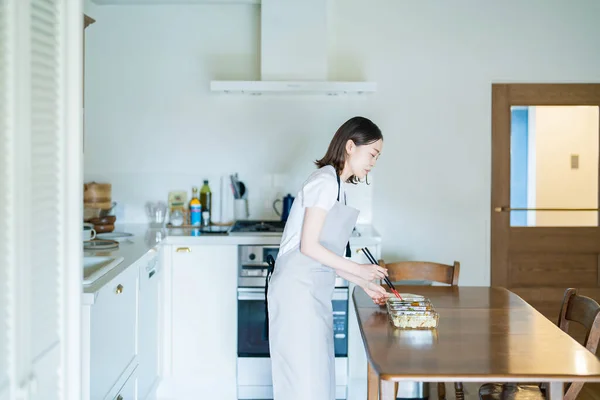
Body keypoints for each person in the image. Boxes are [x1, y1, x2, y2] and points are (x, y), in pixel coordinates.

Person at [266, 116, 389, 400]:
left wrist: (365, 283)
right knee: (303, 382)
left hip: (312, 293)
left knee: (317, 377)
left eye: (377, 157)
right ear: (350, 146)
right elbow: (309, 246)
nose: (373, 162)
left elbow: (328, 257)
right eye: (372, 153)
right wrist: (359, 268)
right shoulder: (324, 182)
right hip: (297, 293)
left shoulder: (339, 188)